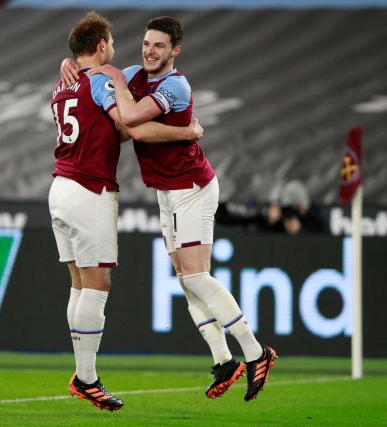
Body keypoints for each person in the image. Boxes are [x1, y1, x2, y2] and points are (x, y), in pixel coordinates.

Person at [86, 16, 277, 401]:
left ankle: (256, 352)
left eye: (159, 45)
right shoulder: (134, 76)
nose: (149, 51)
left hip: (192, 187)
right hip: (166, 191)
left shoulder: (175, 85)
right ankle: (223, 359)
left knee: (195, 277)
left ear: (175, 50)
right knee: (186, 278)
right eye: (146, 43)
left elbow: (133, 123)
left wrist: (116, 80)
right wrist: (72, 65)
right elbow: (96, 84)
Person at [50, 12, 203, 412]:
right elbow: (131, 124)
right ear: (101, 45)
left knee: (78, 285)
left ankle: (82, 373)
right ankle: (86, 378)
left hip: (60, 187)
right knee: (97, 284)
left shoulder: (62, 83)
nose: (116, 51)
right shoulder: (100, 81)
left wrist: (71, 64)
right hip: (89, 188)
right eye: (113, 44)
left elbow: (109, 129)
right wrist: (187, 132)